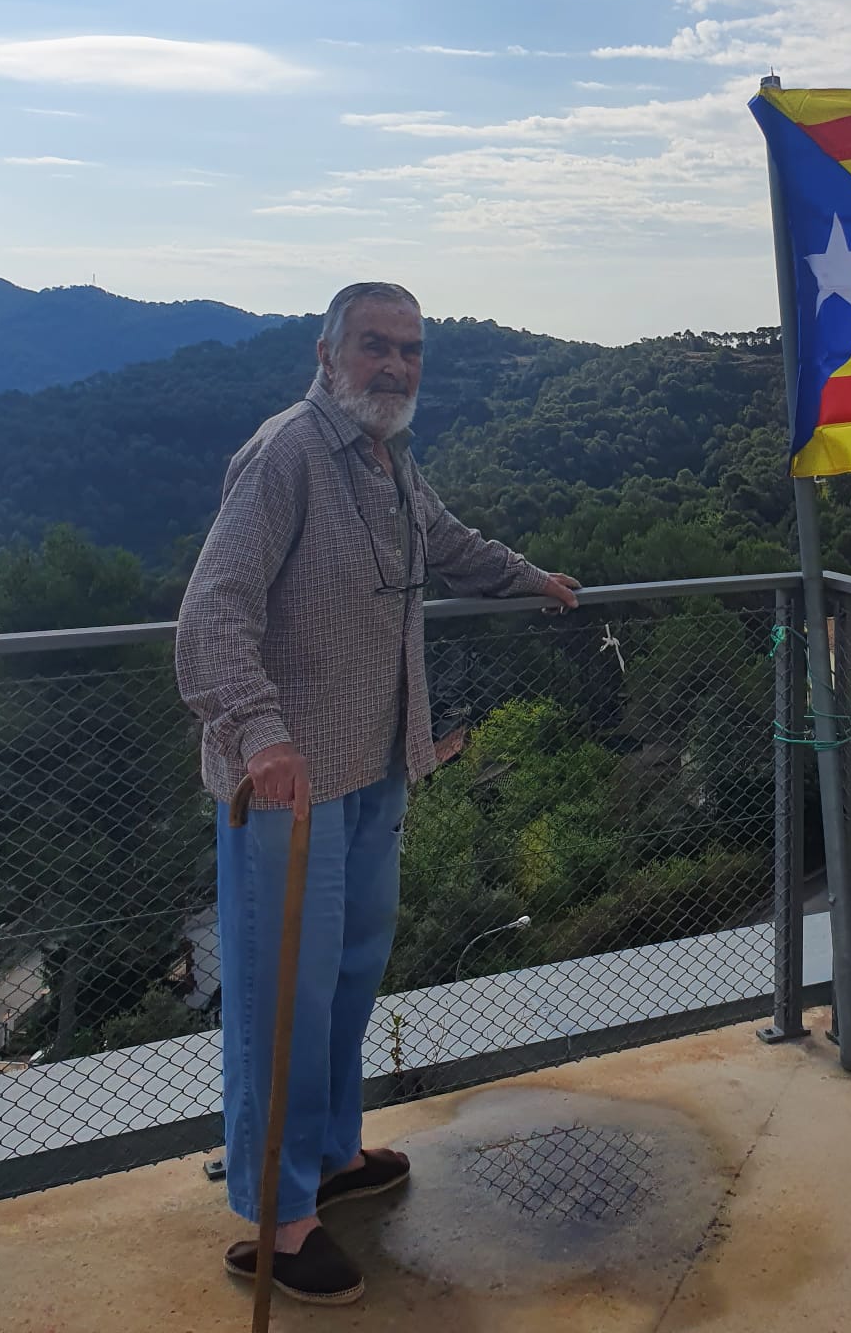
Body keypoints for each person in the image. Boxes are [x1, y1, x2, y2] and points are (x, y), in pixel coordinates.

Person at [176, 281, 579, 1306]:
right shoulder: (286, 455)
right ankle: (279, 1218)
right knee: (280, 1000)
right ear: (327, 354)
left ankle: (332, 1156)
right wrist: (261, 736)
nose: (395, 365)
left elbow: (446, 545)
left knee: (348, 980)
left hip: (373, 769)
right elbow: (213, 611)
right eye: (374, 345)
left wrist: (530, 579)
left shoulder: (388, 456)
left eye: (410, 349)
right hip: (287, 789)